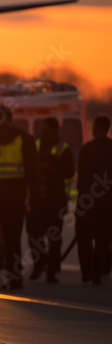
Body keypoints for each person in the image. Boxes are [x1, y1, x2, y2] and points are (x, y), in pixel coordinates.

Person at [0, 104, 39, 290]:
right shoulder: (25, 140)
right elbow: (33, 173)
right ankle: (14, 279)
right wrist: (34, 199)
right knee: (13, 240)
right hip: (16, 199)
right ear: (11, 120)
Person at [28, 117, 74, 283]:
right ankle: (39, 264)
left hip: (56, 200)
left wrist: (51, 170)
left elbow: (69, 171)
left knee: (54, 237)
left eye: (47, 130)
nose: (43, 133)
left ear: (55, 130)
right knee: (33, 234)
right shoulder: (36, 146)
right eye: (43, 130)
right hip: (38, 200)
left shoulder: (64, 149)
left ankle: (51, 272)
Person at [75, 114, 112, 285]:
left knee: (84, 237)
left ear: (96, 127)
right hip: (107, 203)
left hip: (87, 200)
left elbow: (81, 176)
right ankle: (98, 273)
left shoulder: (86, 148)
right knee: (102, 239)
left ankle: (86, 272)